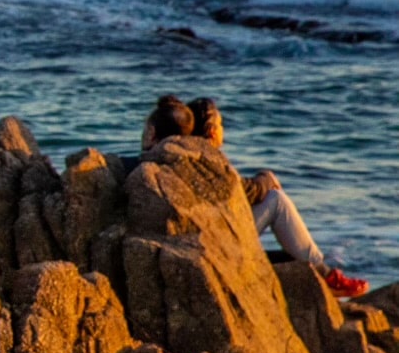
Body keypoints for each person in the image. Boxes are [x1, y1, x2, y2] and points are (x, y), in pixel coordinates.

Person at [150, 94, 368, 298]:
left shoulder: (184, 155)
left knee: (289, 257)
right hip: (216, 244)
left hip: (204, 238)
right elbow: (247, 191)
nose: (223, 130)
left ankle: (317, 270)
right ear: (213, 131)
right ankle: (325, 275)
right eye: (221, 124)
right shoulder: (207, 158)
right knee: (277, 201)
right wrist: (267, 178)